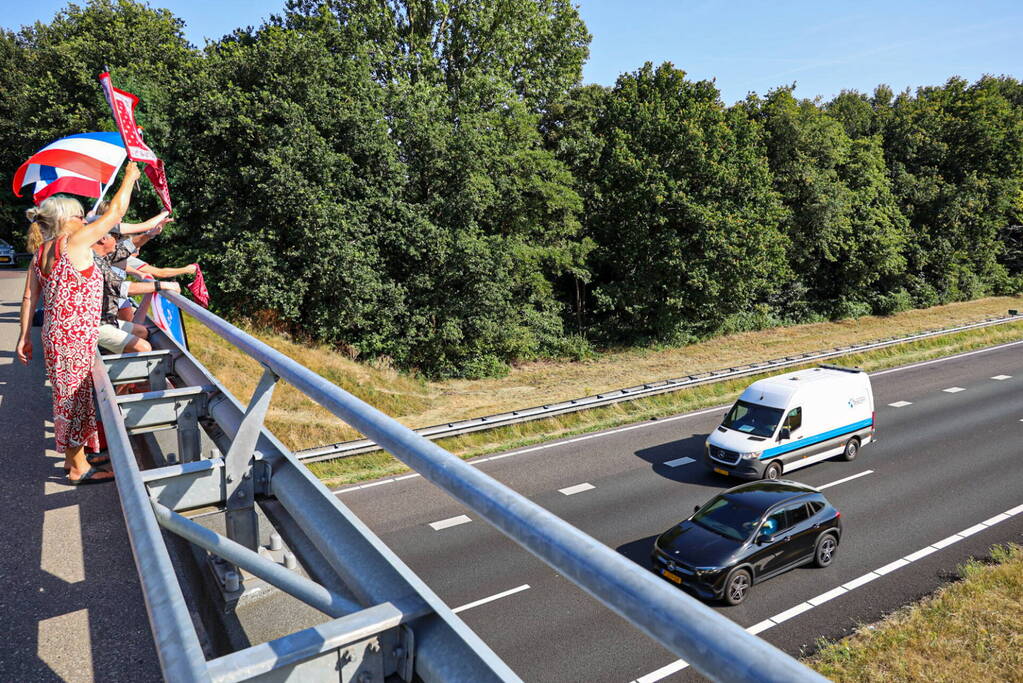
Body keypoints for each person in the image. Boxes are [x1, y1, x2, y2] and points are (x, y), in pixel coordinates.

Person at [16, 164, 141, 485]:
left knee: (77, 395)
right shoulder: (72, 243)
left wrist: (23, 337)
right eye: (79, 216)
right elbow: (113, 215)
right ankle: (76, 467)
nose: (84, 220)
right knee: (71, 399)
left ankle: (84, 453)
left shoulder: (41, 252)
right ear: (64, 221)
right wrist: (129, 177)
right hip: (73, 337)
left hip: (61, 335)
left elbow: (30, 299)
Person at [91, 227, 180, 353]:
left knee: (142, 332)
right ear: (103, 239)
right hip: (93, 325)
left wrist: (149, 234)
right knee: (144, 348)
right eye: (116, 238)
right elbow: (122, 288)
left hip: (104, 319)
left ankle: (110, 350)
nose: (118, 242)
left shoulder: (101, 256)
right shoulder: (93, 262)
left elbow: (127, 248)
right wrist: (160, 285)